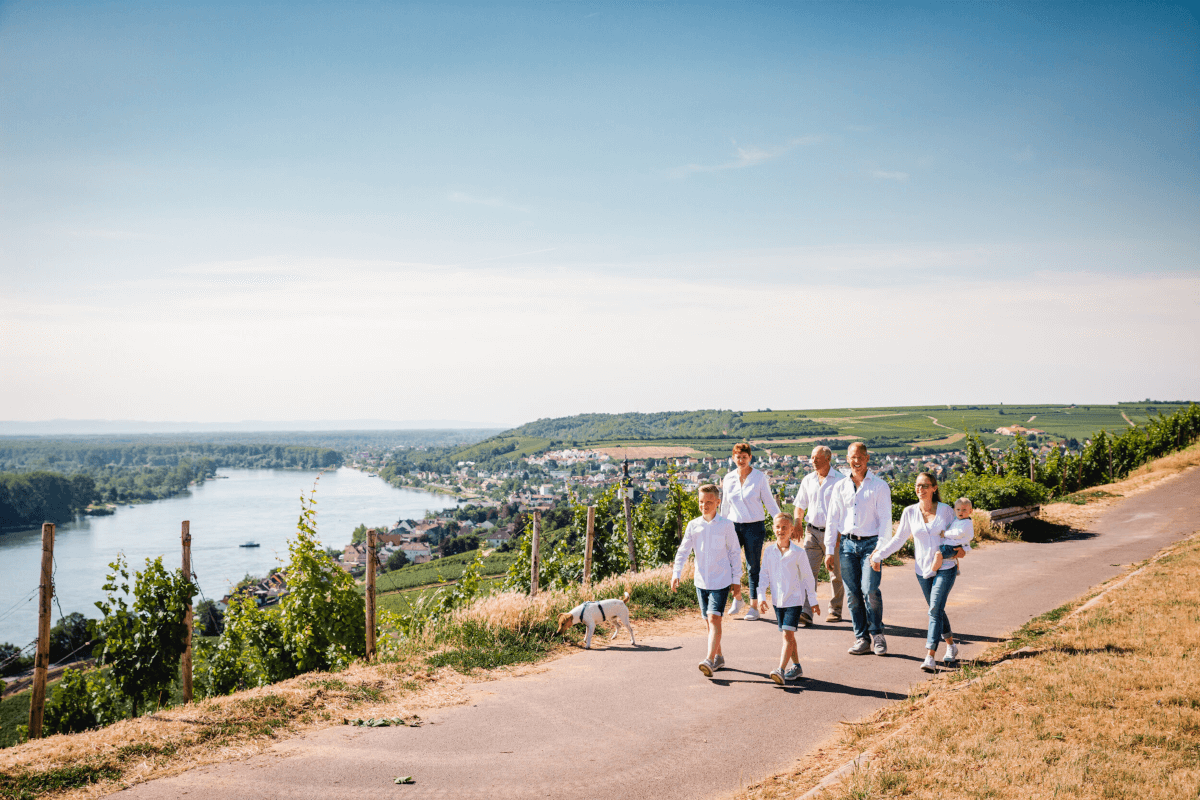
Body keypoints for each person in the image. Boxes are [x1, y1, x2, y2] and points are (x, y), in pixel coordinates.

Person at [870, 472, 964, 672]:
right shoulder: (910, 512)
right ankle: (951, 646)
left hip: (945, 566)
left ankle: (930, 655)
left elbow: (959, 536)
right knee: (936, 608)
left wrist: (958, 550)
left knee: (934, 610)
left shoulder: (946, 511)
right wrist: (879, 555)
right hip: (922, 570)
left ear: (934, 488)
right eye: (917, 486)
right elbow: (899, 539)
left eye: (924, 486)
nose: (919, 490)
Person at [823, 442, 892, 656]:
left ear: (867, 458)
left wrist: (880, 552)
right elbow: (832, 519)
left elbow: (885, 522)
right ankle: (861, 638)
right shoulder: (840, 487)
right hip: (847, 545)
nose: (856, 461)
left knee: (869, 590)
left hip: (871, 545)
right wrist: (828, 549)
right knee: (852, 594)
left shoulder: (879, 486)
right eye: (852, 457)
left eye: (860, 457)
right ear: (847, 459)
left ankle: (878, 635)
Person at [671, 483, 743, 678]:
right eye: (701, 501)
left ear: (718, 503)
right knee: (708, 622)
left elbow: (735, 553)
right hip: (700, 581)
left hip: (721, 581)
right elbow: (683, 550)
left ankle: (709, 660)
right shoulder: (693, 525)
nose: (705, 505)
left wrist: (737, 580)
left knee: (714, 619)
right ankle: (719, 656)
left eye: (709, 502)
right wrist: (676, 573)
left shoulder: (727, 525)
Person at [755, 513, 819, 684]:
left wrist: (813, 601)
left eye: (785, 527)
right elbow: (763, 576)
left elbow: (808, 578)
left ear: (792, 530)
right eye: (777, 527)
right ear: (773, 528)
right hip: (778, 602)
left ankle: (780, 670)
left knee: (787, 635)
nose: (780, 530)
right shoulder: (769, 552)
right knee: (789, 636)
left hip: (794, 601)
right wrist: (761, 597)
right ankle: (797, 666)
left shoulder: (798, 553)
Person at [721, 442, 781, 621]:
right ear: (733, 458)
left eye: (744, 457)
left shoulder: (759, 477)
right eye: (738, 457)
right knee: (730, 565)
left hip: (754, 526)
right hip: (732, 526)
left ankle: (754, 606)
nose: (741, 460)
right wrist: (720, 526)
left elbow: (769, 502)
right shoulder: (728, 478)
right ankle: (737, 598)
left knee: (753, 566)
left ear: (750, 458)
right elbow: (725, 505)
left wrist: (780, 523)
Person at [792, 445, 846, 625]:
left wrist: (840, 533)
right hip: (812, 532)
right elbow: (800, 504)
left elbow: (846, 509)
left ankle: (835, 610)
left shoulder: (840, 481)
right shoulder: (808, 480)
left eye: (817, 458)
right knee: (807, 572)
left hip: (834, 534)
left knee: (836, 574)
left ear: (828, 459)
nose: (813, 461)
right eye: (812, 457)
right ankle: (806, 612)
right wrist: (798, 522)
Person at [932, 497, 975, 573]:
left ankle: (932, 571)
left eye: (964, 510)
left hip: (953, 545)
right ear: (954, 510)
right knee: (953, 557)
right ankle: (957, 569)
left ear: (970, 511)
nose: (960, 512)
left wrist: (945, 534)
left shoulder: (965, 523)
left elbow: (958, 533)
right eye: (958, 510)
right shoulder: (960, 519)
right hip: (955, 544)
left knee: (938, 554)